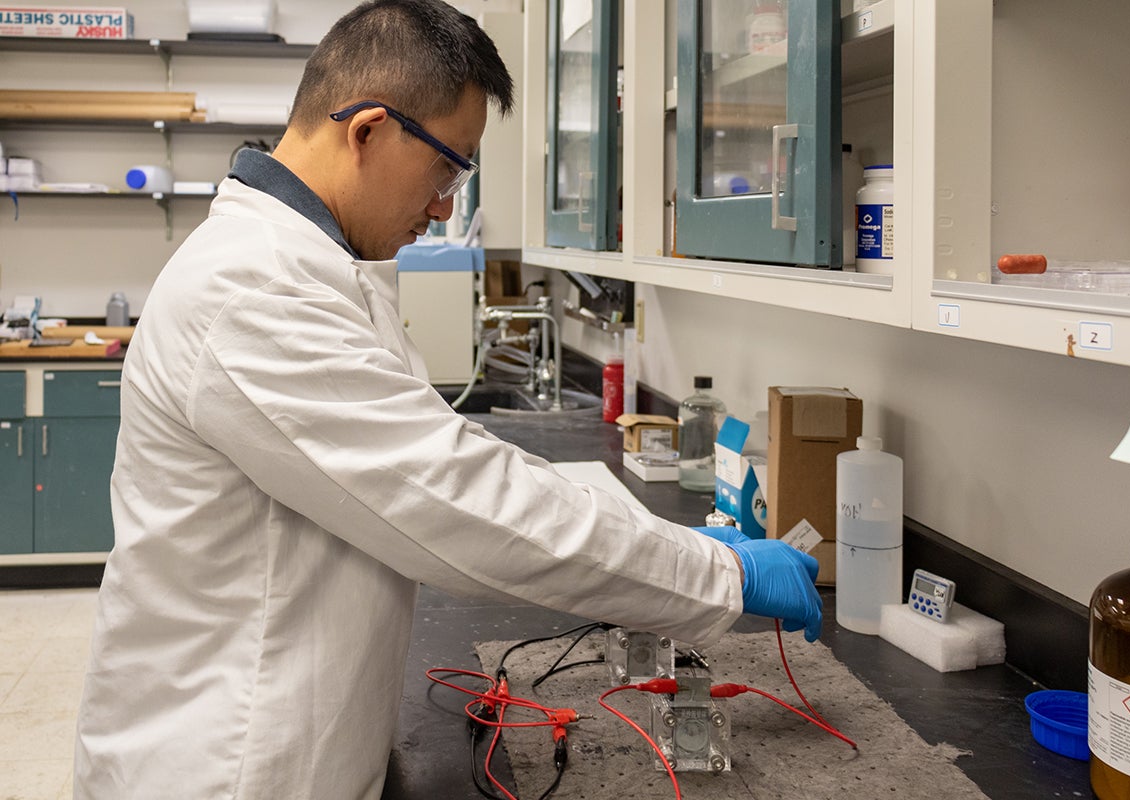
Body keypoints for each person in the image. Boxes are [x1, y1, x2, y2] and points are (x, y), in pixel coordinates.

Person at [73, 2, 822, 798]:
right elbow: (458, 500)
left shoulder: (311, 269)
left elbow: (443, 470)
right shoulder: (252, 291)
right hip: (228, 763)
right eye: (448, 169)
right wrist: (718, 574)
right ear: (366, 131)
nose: (443, 209)